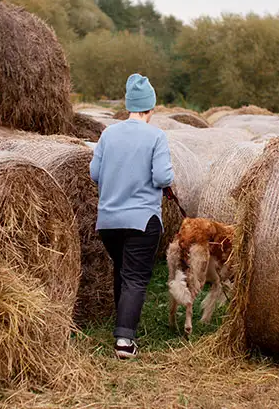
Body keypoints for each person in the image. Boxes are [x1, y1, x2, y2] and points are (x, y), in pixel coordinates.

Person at [90, 73, 174, 359]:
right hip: (142, 220)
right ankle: (124, 341)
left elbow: (94, 173)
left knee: (123, 271)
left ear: (129, 105)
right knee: (136, 278)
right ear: (150, 106)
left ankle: (121, 324)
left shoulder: (108, 134)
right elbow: (162, 177)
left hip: (108, 221)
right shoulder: (156, 136)